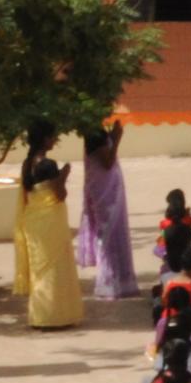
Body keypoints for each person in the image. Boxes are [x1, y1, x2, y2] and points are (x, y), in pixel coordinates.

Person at [13, 150, 82, 331]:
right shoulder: (48, 164)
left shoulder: (27, 163)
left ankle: (40, 315)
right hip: (51, 222)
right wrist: (64, 175)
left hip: (33, 221)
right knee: (55, 267)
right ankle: (56, 316)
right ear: (46, 139)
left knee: (40, 269)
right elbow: (59, 194)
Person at [72, 122, 138, 302]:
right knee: (107, 237)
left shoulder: (99, 131)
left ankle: (122, 282)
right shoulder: (94, 134)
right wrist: (116, 138)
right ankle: (108, 283)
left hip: (110, 190)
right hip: (104, 194)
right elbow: (107, 162)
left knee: (117, 234)